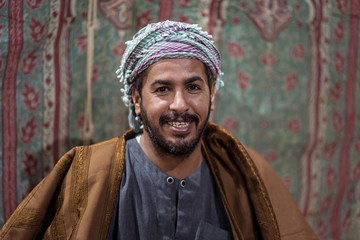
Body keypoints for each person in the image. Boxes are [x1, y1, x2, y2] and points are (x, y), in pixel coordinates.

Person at [0, 21, 318, 240]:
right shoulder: (87, 173)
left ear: (212, 96)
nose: (179, 105)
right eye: (163, 89)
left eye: (193, 87)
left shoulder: (245, 176)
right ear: (137, 99)